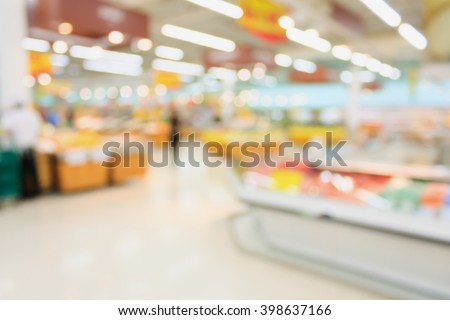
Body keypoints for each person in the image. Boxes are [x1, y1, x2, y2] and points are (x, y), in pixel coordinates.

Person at [1, 102, 42, 198]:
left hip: (20, 147)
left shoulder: (13, 117)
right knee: (33, 169)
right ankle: (36, 190)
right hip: (31, 145)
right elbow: (38, 127)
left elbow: (6, 129)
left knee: (22, 171)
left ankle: (26, 192)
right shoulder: (31, 114)